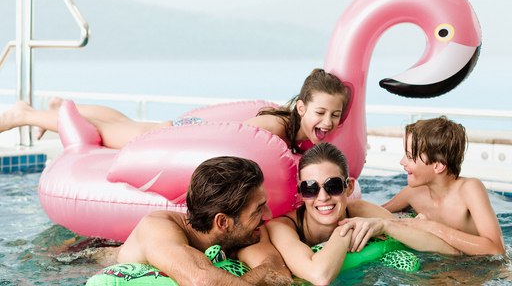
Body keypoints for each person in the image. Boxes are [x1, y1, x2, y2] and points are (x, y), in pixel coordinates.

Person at [0, 68, 349, 151]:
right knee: (103, 134)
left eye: (335, 115)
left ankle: (60, 106)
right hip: (176, 138)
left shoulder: (293, 126)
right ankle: (24, 115)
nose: (328, 121)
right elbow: (231, 148)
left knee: (123, 122)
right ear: (301, 107)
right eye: (321, 112)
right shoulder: (275, 129)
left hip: (188, 126)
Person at [266, 142, 458, 285]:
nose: (322, 197)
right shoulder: (282, 227)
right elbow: (319, 276)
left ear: (348, 187)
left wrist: (385, 225)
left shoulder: (359, 210)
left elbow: (448, 251)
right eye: (310, 188)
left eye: (332, 186)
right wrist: (346, 231)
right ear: (301, 192)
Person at [116, 155, 293, 285]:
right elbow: (202, 280)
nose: (269, 215)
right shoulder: (157, 227)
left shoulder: (246, 233)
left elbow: (276, 270)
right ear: (223, 222)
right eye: (258, 209)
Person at [381, 116, 506, 256]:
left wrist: (431, 227)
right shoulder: (413, 193)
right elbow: (379, 213)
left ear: (438, 166)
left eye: (410, 157)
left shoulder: (469, 190)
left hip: (479, 268)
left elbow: (496, 249)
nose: (402, 161)